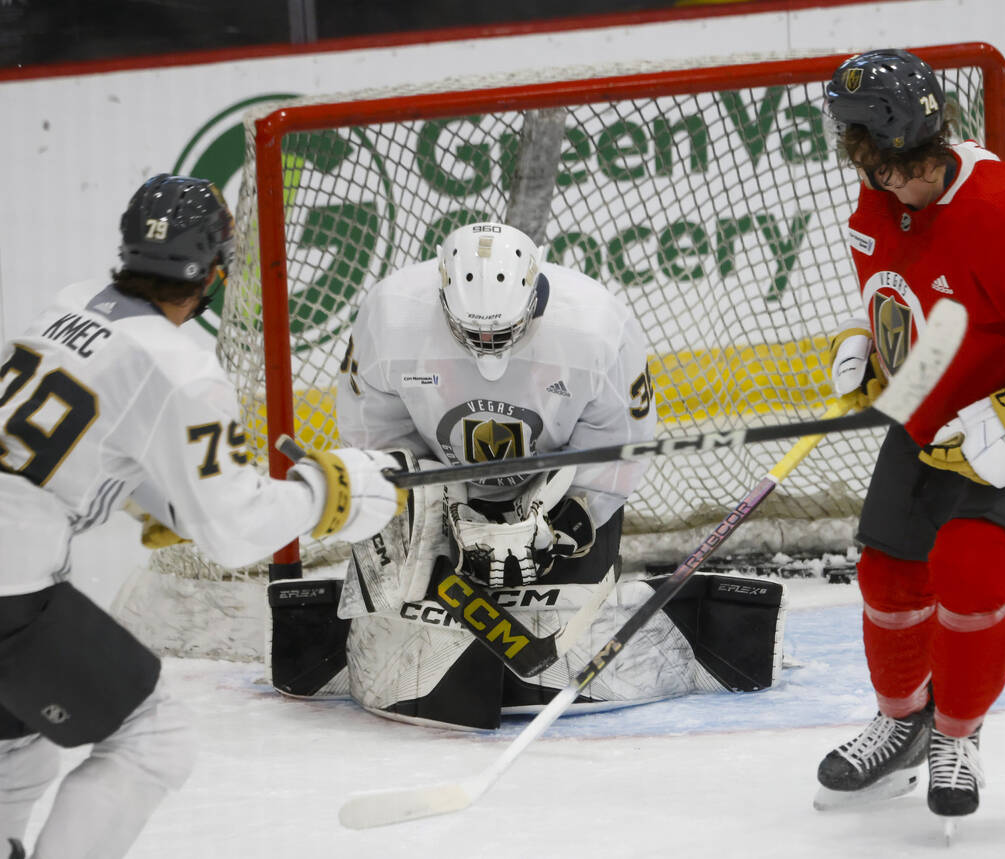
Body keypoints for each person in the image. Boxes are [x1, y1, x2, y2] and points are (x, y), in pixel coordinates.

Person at [0, 174, 403, 858]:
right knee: (153, 739)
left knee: (19, 747)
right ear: (216, 272)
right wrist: (335, 489)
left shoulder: (68, 305)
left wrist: (159, 498)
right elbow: (236, 527)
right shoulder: (181, 368)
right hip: (11, 591)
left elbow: (85, 446)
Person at [266, 220, 787, 731]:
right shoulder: (390, 314)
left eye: (501, 330)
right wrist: (432, 511)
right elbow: (375, 436)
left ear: (535, 295)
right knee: (407, 673)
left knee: (563, 654)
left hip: (555, 495)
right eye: (474, 332)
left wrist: (577, 513)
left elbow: (620, 443)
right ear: (441, 297)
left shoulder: (596, 325)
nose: (488, 343)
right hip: (436, 495)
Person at [813, 50, 1005, 820]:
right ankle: (901, 724)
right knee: (887, 574)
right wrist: (866, 341)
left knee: (969, 566)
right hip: (937, 408)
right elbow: (905, 295)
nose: (888, 181)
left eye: (890, 161)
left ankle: (956, 732)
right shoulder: (876, 200)